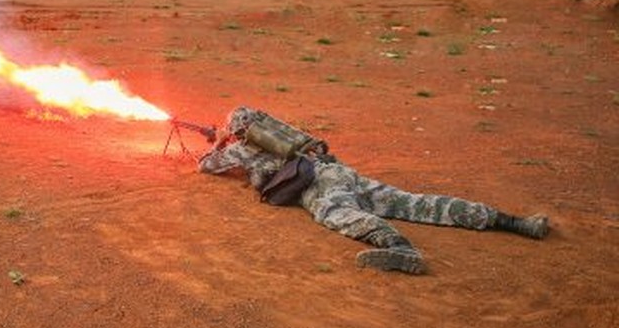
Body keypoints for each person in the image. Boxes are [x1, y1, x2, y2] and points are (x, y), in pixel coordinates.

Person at [198, 106, 550, 274]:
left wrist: (219, 143)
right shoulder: (284, 137)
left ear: (237, 130)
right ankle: (516, 223)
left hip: (320, 185)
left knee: (337, 214)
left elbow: (206, 166)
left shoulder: (241, 148)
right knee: (416, 203)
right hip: (340, 171)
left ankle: (400, 248)